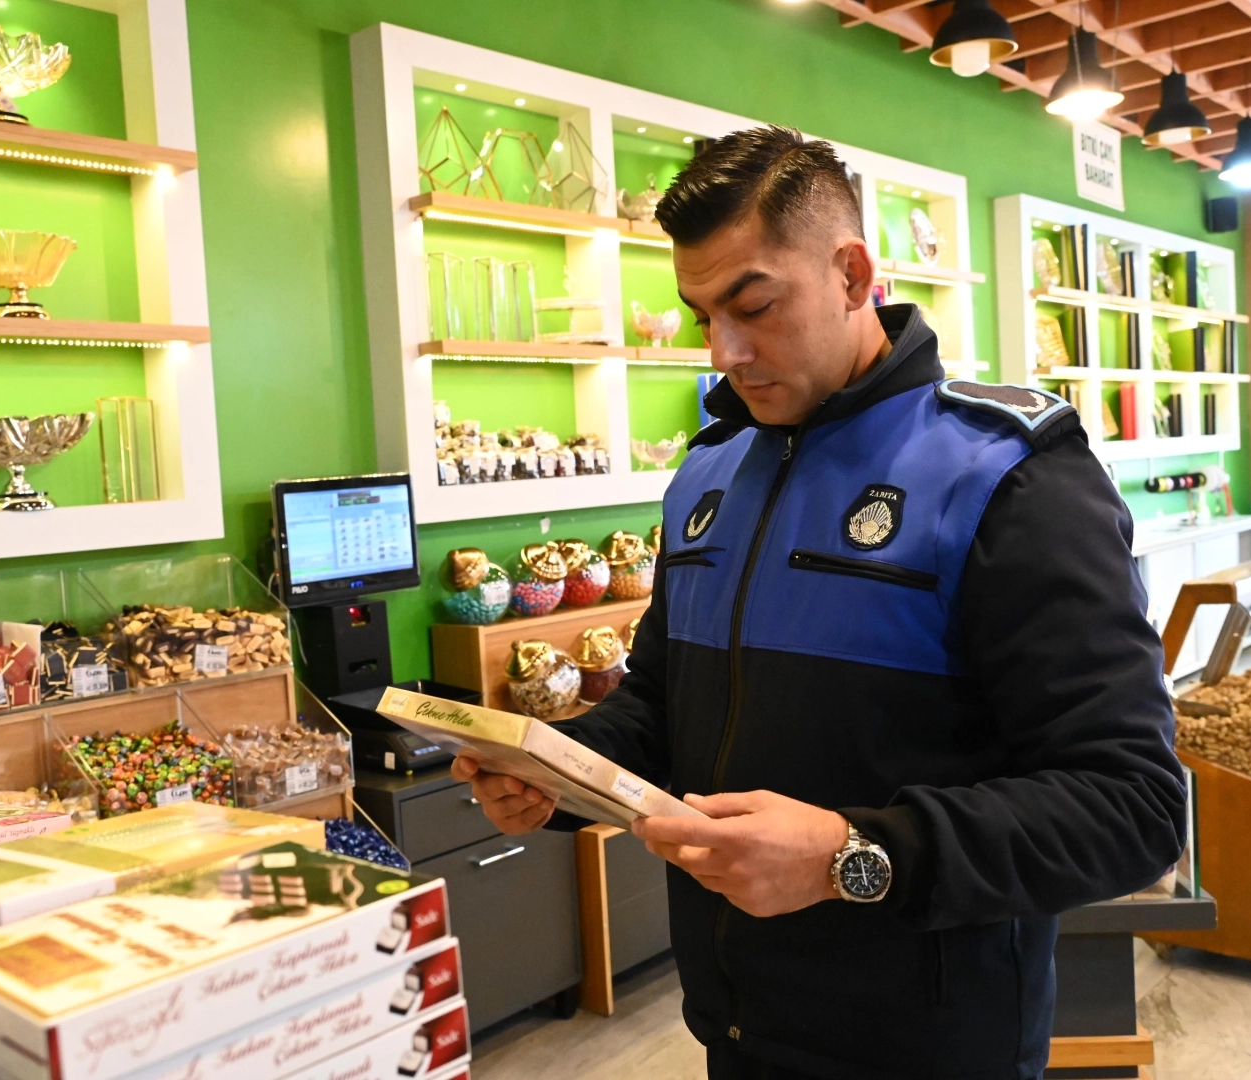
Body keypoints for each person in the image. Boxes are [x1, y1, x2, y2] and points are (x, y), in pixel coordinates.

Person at [452, 126, 1187, 1080]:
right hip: (734, 1031)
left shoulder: (1008, 476)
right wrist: (559, 767)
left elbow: (1132, 806)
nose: (725, 352)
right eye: (701, 316)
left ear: (853, 275)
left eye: (754, 306)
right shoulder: (709, 474)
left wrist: (852, 853)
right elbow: (665, 706)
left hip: (932, 1050)